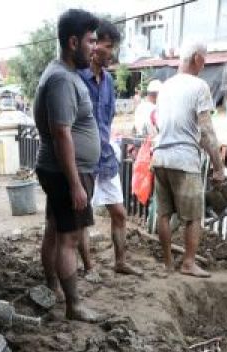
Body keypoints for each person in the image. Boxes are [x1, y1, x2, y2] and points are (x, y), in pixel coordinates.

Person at [33, 8, 102, 322]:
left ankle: (53, 287)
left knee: (55, 229)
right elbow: (61, 133)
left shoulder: (61, 72)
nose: (95, 47)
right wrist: (75, 184)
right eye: (91, 41)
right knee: (69, 239)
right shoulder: (62, 78)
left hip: (60, 169)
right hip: (65, 172)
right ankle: (74, 306)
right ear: (73, 42)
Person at [152, 41, 226, 278]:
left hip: (160, 156)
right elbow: (206, 130)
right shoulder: (199, 86)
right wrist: (218, 167)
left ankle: (167, 262)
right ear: (197, 59)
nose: (204, 64)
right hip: (184, 159)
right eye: (204, 59)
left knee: (163, 213)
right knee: (193, 216)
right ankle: (188, 263)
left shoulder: (165, 87)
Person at [78, 18, 140, 280]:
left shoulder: (107, 82)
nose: (111, 53)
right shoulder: (78, 78)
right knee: (82, 217)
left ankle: (120, 261)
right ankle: (89, 267)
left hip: (105, 156)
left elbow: (109, 119)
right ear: (93, 46)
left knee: (119, 212)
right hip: (85, 159)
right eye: (108, 46)